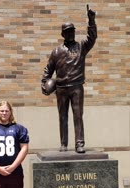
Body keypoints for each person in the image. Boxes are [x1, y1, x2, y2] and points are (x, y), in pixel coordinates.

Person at [41, 4, 97, 153]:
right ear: (63, 34)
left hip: (76, 87)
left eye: (72, 31)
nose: (71, 33)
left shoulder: (81, 47)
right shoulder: (56, 51)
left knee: (78, 116)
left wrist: (91, 20)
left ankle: (79, 144)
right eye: (67, 32)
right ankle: (64, 143)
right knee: (63, 117)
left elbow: (92, 37)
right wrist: (44, 83)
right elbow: (48, 70)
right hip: (61, 89)